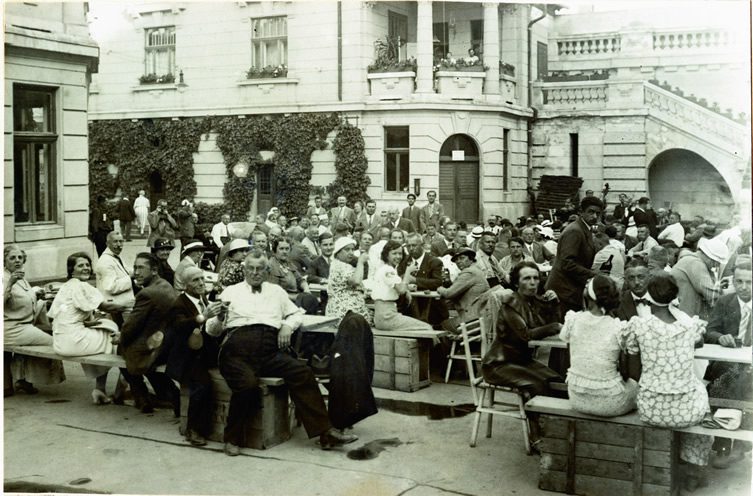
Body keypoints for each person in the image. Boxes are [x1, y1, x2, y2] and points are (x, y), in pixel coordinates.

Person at [206, 250, 358, 455]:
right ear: (244, 269)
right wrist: (219, 318)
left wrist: (287, 325)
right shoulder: (230, 292)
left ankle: (325, 432)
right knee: (247, 384)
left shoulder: (276, 291)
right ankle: (232, 438)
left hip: (269, 349)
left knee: (302, 372)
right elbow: (212, 330)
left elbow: (296, 313)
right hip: (236, 349)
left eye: (260, 269)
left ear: (267, 270)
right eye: (250, 268)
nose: (255, 273)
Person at [621, 274, 713, 491]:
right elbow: (697, 342)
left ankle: (658, 465)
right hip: (685, 411)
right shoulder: (690, 326)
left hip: (651, 408)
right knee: (701, 391)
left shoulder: (639, 325)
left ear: (649, 295)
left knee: (688, 390)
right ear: (675, 296)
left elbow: (634, 368)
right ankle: (693, 467)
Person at [50, 252, 125, 404]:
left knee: (103, 329)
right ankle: (116, 386)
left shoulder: (65, 287)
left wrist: (85, 323)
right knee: (112, 334)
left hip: (59, 341)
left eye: (87, 265)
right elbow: (107, 307)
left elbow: (59, 314)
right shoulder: (82, 286)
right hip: (73, 341)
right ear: (72, 270)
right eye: (80, 265)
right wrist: (131, 305)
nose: (85, 268)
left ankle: (102, 390)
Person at [481, 261, 562, 399]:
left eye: (536, 278)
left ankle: (553, 419)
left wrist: (554, 303)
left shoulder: (533, 301)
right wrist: (554, 327)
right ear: (517, 283)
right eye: (527, 278)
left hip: (521, 361)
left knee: (556, 381)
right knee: (538, 385)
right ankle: (538, 420)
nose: (533, 283)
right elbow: (526, 335)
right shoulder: (510, 304)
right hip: (499, 365)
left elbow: (551, 323)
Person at [559, 275, 637, 417]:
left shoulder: (573, 320)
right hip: (611, 402)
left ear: (587, 295)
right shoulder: (618, 327)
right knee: (637, 385)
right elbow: (628, 373)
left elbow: (569, 360)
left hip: (577, 398)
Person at [165, 266, 224, 447]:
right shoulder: (179, 303)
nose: (200, 283)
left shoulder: (203, 299)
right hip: (186, 357)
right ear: (184, 284)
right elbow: (179, 327)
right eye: (195, 280)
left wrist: (219, 318)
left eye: (202, 279)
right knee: (202, 384)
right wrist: (202, 317)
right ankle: (194, 429)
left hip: (203, 354)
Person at [703, 261, 752, 468]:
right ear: (733, 281)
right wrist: (721, 337)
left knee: (748, 393)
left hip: (750, 367)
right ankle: (722, 446)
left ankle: (742, 445)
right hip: (727, 365)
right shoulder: (725, 302)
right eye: (739, 281)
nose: (744, 286)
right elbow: (709, 331)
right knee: (721, 389)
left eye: (749, 282)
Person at [119, 253, 180, 414]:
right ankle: (164, 394)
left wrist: (119, 338)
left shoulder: (146, 294)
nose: (136, 272)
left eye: (140, 268)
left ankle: (142, 397)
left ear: (154, 270)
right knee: (140, 354)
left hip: (157, 346)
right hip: (166, 341)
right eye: (134, 268)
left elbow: (130, 327)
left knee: (123, 350)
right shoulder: (165, 284)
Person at [3, 245, 65, 394]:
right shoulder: (5, 278)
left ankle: (23, 380)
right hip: (11, 328)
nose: (17, 261)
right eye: (12, 258)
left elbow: (22, 298)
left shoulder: (20, 277)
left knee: (46, 333)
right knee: (53, 343)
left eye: (20, 257)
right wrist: (9, 284)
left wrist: (38, 295)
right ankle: (26, 379)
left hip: (24, 325)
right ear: (4, 261)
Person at [545, 196, 603, 314]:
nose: (595, 216)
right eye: (591, 212)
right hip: (563, 292)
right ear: (581, 212)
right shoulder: (575, 231)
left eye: (598, 213)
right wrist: (593, 274)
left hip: (570, 290)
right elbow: (567, 263)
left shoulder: (585, 229)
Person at [372, 241, 433, 333]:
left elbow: (398, 287)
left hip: (386, 314)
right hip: (387, 316)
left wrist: (407, 289)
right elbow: (401, 290)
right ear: (386, 255)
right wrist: (408, 273)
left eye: (400, 253)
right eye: (394, 253)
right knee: (427, 328)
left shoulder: (388, 269)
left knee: (421, 324)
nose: (398, 256)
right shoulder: (387, 270)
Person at [397, 232, 448, 327]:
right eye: (408, 246)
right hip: (409, 305)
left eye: (414, 245)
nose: (411, 249)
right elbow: (399, 279)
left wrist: (415, 280)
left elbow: (438, 282)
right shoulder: (404, 261)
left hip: (431, 307)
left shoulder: (434, 261)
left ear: (422, 245)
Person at [671, 237, 727, 319]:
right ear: (710, 258)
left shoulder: (690, 259)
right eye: (717, 263)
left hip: (682, 311)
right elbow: (711, 294)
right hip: (685, 316)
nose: (716, 266)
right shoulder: (695, 263)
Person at [437, 247, 490, 328]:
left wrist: (438, 288)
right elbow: (457, 289)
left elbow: (449, 293)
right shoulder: (476, 270)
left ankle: (456, 339)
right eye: (456, 260)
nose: (458, 262)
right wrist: (448, 283)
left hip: (473, 319)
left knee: (442, 325)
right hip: (481, 316)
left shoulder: (469, 272)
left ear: (471, 259)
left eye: (462, 258)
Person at [326, 237, 372, 325]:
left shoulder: (339, 264)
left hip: (345, 310)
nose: (351, 252)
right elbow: (356, 281)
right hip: (344, 313)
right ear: (338, 252)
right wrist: (360, 262)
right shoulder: (340, 266)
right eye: (347, 250)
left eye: (352, 249)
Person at [267, 239, 319, 315]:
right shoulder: (272, 266)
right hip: (283, 302)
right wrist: (297, 297)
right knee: (309, 302)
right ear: (274, 251)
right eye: (281, 249)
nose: (284, 251)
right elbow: (275, 293)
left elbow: (300, 280)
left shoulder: (288, 263)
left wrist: (306, 290)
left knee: (311, 300)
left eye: (287, 249)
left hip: (296, 298)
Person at [94, 231, 135, 327]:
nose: (119, 245)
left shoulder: (115, 257)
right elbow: (111, 287)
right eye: (115, 242)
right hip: (116, 309)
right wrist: (131, 278)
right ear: (107, 244)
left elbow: (126, 271)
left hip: (122, 306)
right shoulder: (105, 261)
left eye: (121, 241)